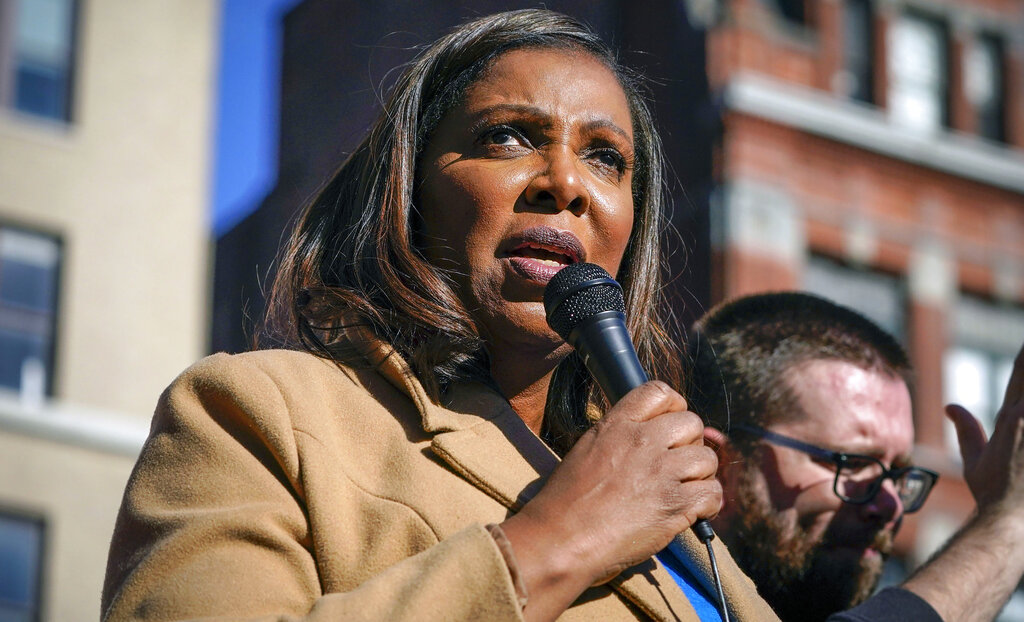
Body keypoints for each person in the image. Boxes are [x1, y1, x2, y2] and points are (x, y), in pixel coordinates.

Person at [101, 10, 777, 622]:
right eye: (509, 137)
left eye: (605, 156)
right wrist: (568, 534)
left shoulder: (675, 502)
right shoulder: (256, 413)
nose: (566, 183)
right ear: (409, 190)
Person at [687, 291, 1024, 622]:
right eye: (853, 463)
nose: (891, 505)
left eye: (897, 474)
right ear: (717, 467)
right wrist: (1007, 521)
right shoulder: (645, 591)